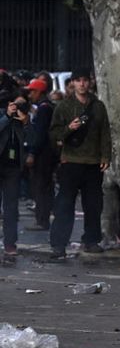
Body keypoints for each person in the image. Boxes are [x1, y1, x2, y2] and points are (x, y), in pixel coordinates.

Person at [48, 69, 111, 261]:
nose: (82, 84)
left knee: (93, 204)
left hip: (93, 162)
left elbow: (105, 133)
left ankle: (91, 240)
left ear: (90, 83)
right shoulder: (64, 106)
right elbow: (54, 134)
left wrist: (106, 157)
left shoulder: (98, 106)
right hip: (71, 162)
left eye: (85, 80)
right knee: (65, 204)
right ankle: (59, 244)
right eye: (79, 81)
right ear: (73, 83)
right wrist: (69, 128)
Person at [22, 77, 56, 232]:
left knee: (40, 187)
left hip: (42, 155)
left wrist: (32, 153)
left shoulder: (44, 109)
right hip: (47, 154)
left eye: (32, 91)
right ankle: (43, 218)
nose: (30, 95)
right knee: (43, 187)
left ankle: (41, 220)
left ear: (39, 92)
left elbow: (40, 134)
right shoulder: (46, 107)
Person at [1, 92, 29, 260]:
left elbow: (31, 138)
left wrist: (25, 122)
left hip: (12, 168)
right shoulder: (3, 115)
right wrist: (6, 116)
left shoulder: (20, 119)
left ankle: (10, 243)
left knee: (11, 208)